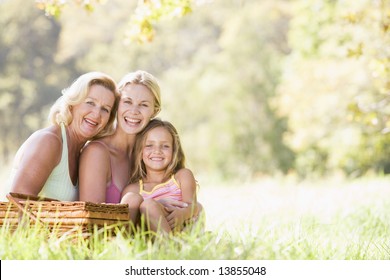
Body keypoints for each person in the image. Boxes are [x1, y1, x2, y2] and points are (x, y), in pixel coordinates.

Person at [5, 72, 119, 201]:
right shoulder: (49, 141)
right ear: (72, 104)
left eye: (105, 109)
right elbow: (18, 200)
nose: (97, 114)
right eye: (90, 103)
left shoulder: (82, 154)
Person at [79, 70, 172, 225]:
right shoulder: (97, 152)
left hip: (148, 243)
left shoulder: (153, 155)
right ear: (117, 104)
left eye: (143, 105)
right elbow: (92, 222)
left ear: (154, 111)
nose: (134, 111)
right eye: (127, 102)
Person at [121, 118, 202, 234]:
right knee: (131, 198)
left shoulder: (182, 177)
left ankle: (168, 247)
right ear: (140, 151)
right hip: (145, 236)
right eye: (149, 145)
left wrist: (182, 214)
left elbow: (194, 207)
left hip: (177, 232)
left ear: (174, 151)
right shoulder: (133, 189)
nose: (157, 151)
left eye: (165, 146)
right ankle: (122, 244)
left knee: (148, 205)